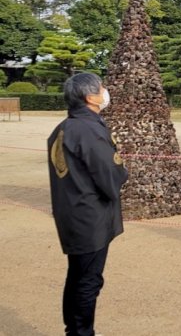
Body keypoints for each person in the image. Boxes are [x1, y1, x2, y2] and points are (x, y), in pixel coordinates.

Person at [48, 72, 128, 336]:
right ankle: (82, 333)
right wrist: (121, 174)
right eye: (102, 88)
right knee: (88, 281)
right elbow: (110, 175)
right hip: (89, 217)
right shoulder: (89, 129)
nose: (106, 92)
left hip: (72, 212)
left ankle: (74, 329)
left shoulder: (62, 128)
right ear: (90, 96)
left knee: (77, 277)